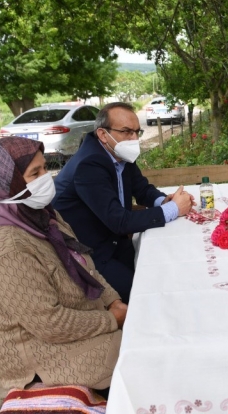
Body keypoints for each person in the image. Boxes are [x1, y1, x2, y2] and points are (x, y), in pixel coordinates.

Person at [0, 137, 126, 391]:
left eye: (44, 168)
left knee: (147, 338)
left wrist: (113, 300)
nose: (45, 178)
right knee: (139, 358)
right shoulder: (6, 247)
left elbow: (84, 264)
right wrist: (111, 320)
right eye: (34, 173)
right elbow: (51, 323)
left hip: (80, 322)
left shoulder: (41, 215)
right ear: (8, 183)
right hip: (41, 355)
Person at [53, 102, 194, 303]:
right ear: (103, 134)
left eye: (137, 132)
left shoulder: (118, 153)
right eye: (126, 132)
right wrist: (173, 209)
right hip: (90, 253)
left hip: (115, 241)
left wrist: (164, 200)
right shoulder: (89, 164)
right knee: (144, 294)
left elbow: (142, 189)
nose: (134, 139)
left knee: (163, 269)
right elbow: (119, 221)